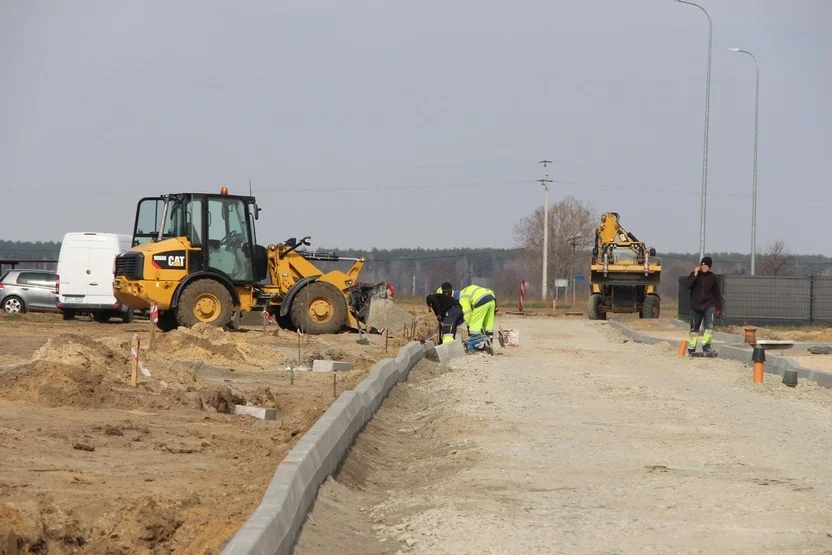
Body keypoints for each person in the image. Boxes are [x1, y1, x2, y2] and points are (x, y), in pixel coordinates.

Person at [684, 256, 723, 356]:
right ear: (700, 265)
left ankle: (706, 346)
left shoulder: (712, 277)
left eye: (706, 265)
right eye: (703, 265)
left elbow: (717, 294)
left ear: (709, 267)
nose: (704, 267)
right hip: (695, 307)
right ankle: (691, 348)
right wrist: (695, 275)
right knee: (694, 328)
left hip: (708, 305)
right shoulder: (694, 275)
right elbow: (687, 285)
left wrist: (718, 308)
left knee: (709, 326)